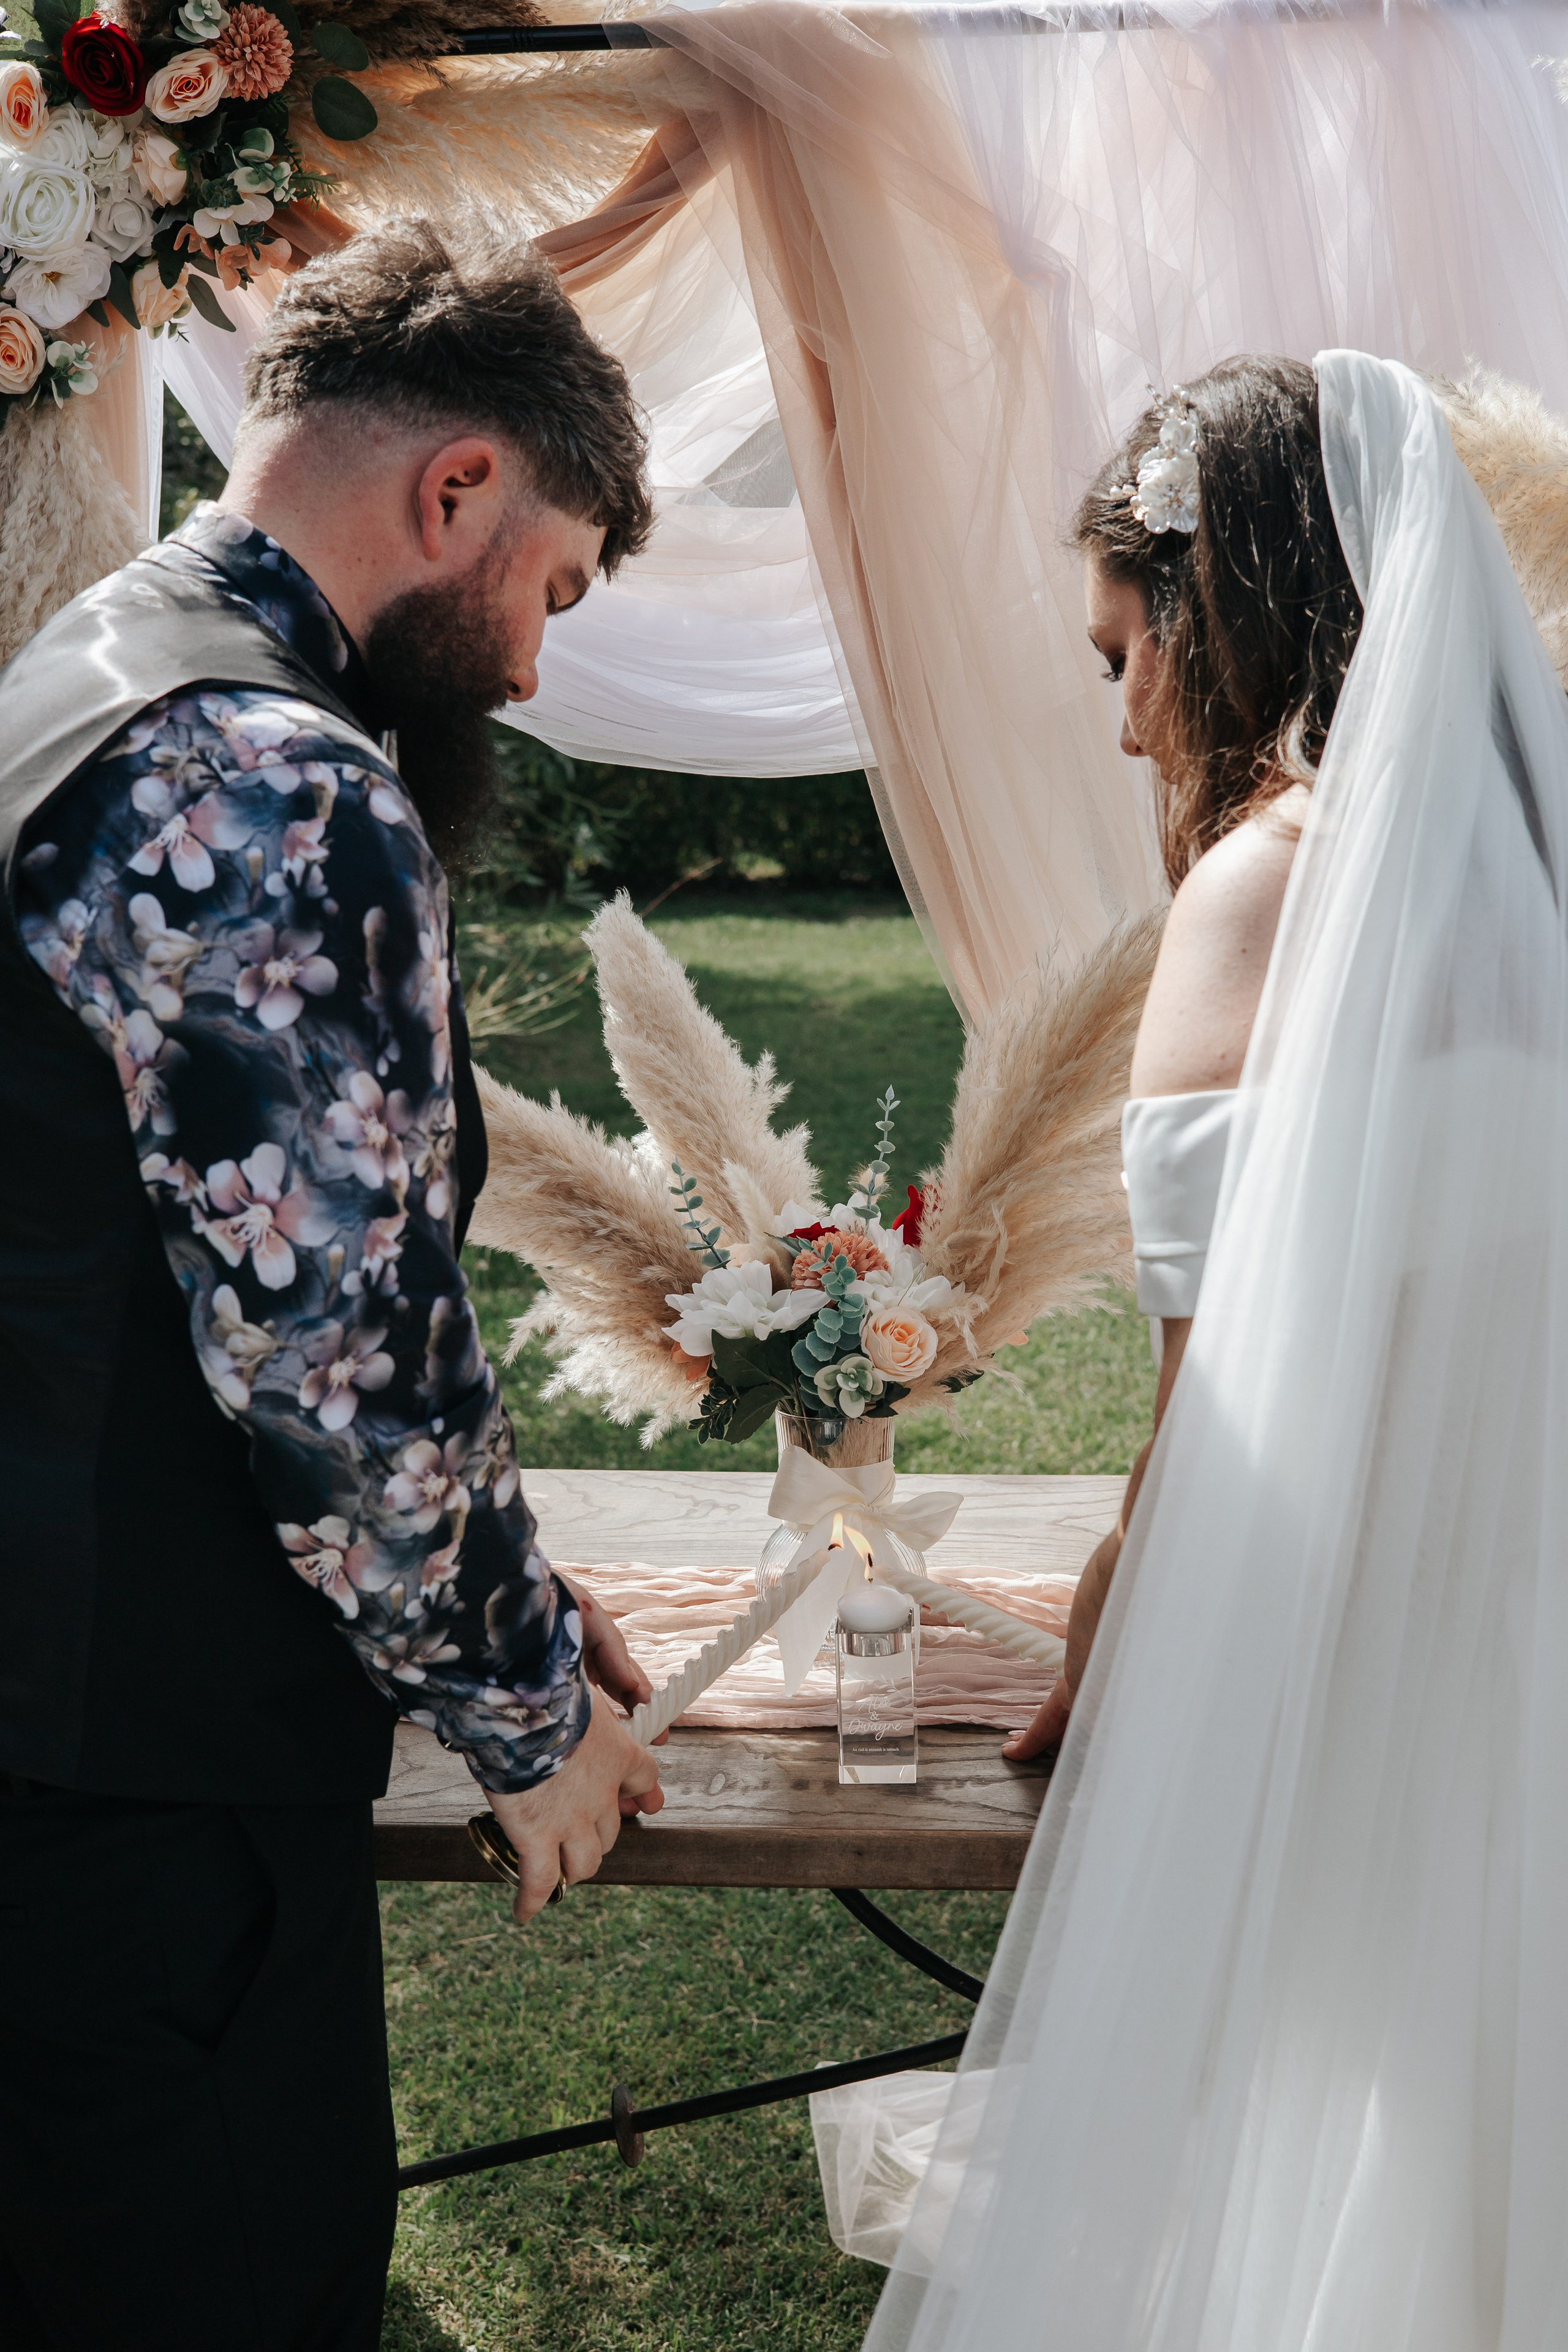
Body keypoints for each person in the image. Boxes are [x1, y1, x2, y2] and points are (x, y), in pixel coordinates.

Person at [0, 216, 666, 2351]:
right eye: (551, 588)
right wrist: (527, 1713)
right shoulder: (282, 784)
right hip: (141, 1785)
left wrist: (529, 1591)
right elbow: (337, 1357)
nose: (539, 670)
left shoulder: (83, 664)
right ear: (456, 487)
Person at [865, 349, 1568, 2348]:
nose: (1121, 726)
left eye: (1121, 656)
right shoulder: (1531, 874)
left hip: (1353, 1675)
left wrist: (1111, 1620)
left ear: (1219, 607)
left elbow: (1216, 1406)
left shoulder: (1266, 893)